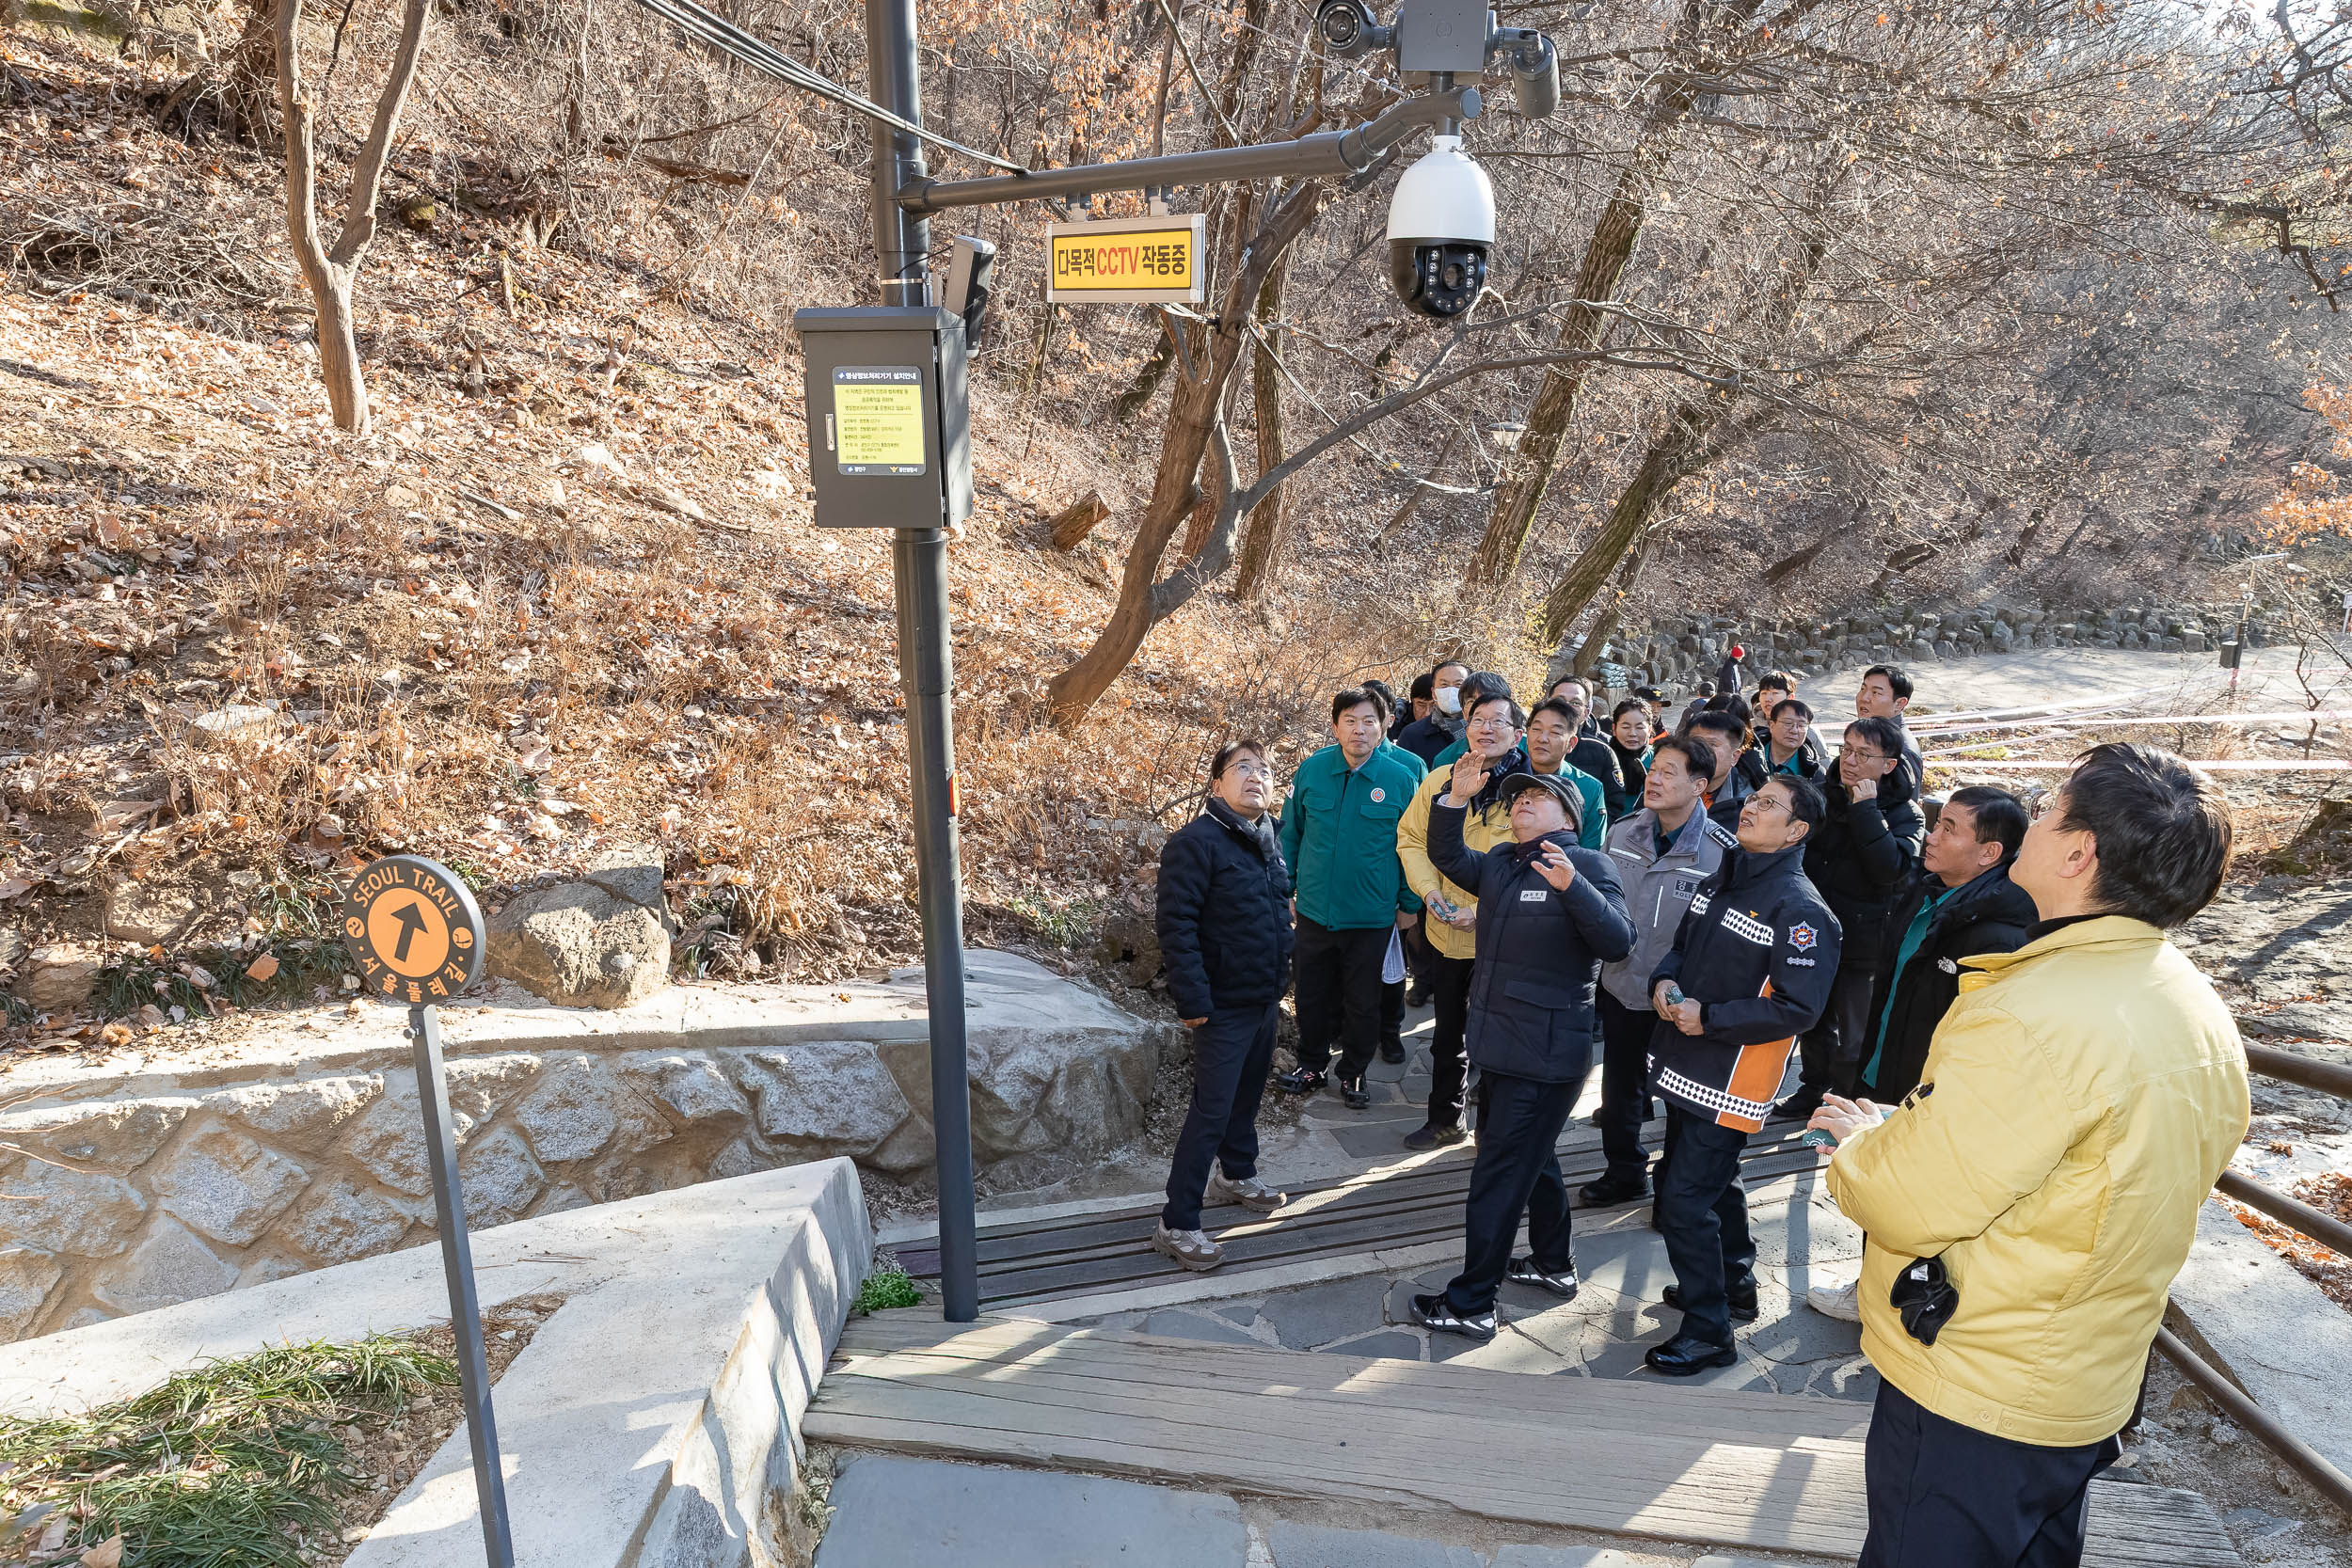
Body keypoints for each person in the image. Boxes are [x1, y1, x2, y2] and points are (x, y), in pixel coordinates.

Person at [1812, 744, 2247, 1567]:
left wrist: (1864, 1146)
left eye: (2048, 808)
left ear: (2080, 853)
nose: (2032, 822)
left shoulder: (2032, 1012)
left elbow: (1911, 1198)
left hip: (1982, 1384)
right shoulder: (2192, 1001)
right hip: (2088, 1375)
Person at [1408, 757, 1633, 1340]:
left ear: (1568, 814)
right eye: (1516, 799)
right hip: (1498, 1044)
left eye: (1537, 796)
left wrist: (1573, 887)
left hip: (1546, 1052)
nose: (1521, 804)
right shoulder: (1505, 863)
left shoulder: (1588, 863)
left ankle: (1473, 1303)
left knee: (1499, 1176)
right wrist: (1455, 800)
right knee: (1531, 1160)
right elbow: (1451, 857)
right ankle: (1554, 1264)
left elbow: (1618, 940)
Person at [1804, 784, 2034, 1322]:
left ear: (1990, 853)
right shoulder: (1927, 895)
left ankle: (1899, 1303)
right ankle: (1874, 1291)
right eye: (1938, 822)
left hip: (1930, 1088)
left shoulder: (1998, 932)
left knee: (1915, 1199)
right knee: (1883, 1188)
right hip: (1887, 1065)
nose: (1932, 834)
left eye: (1950, 827)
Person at [1644, 774, 1839, 1374]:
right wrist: (1666, 983)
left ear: (1797, 831)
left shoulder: (1802, 909)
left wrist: (1713, 1017)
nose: (1751, 808)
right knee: (1711, 1182)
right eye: (1754, 799)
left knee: (1680, 1201)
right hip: (1686, 1063)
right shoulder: (1725, 877)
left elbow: (1797, 1007)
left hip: (1729, 1075)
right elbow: (1682, 947)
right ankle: (1733, 1287)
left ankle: (1709, 1332)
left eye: (1768, 805)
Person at [1152, 741, 1295, 1271]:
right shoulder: (1195, 842)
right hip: (1220, 1005)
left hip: (1262, 996)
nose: (1255, 776)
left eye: (1263, 770)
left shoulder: (1269, 839)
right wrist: (1192, 999)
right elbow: (1176, 925)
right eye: (1242, 768)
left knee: (1246, 1096)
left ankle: (1236, 1173)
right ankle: (1177, 1223)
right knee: (1210, 1111)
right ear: (1217, 785)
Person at [1582, 735, 1733, 1207]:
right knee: (1620, 1088)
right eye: (1654, 769)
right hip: (1624, 985)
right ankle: (1625, 1171)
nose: (1655, 779)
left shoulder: (1721, 854)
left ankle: (1675, 1190)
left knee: (1681, 1100)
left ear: (1699, 785)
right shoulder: (1623, 831)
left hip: (1681, 999)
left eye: (1670, 772)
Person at [1395, 692, 1534, 1149]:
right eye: (1478, 719)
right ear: (1465, 728)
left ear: (1518, 733)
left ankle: (1495, 1130)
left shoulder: (1532, 793)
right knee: (1446, 1033)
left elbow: (1533, 865)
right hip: (1443, 931)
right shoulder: (1440, 779)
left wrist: (1480, 912)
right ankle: (1445, 1118)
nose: (1486, 728)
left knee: (1498, 1036)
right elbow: (1411, 838)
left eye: (1499, 721)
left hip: (1501, 938)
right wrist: (1429, 892)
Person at [1273, 689, 1423, 1109]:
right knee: (1312, 994)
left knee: (1363, 1000)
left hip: (1371, 915)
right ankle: (1311, 1063)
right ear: (1336, 724)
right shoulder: (1312, 770)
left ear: (1383, 725)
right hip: (1315, 911)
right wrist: (1286, 890)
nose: (1360, 730)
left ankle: (1353, 1072)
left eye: (1369, 721)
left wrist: (1408, 904)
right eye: (1350, 721)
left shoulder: (1400, 779)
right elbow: (1291, 835)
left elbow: (1412, 846)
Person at [1773, 715, 1925, 1123]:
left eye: (1863, 754)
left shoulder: (1907, 814)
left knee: (1854, 1031)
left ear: (1889, 764)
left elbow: (1890, 869)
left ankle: (1845, 1102)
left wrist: (1866, 809)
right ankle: (1812, 1088)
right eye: (1846, 750)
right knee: (1813, 1019)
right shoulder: (1823, 795)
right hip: (1812, 930)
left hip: (1865, 939)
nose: (1850, 761)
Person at [1521, 698, 1608, 850]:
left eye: (1555, 732)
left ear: (1571, 744)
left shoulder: (1590, 788)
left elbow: (1590, 849)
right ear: (1527, 734)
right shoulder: (1509, 775)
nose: (1542, 739)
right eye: (1536, 729)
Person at [1544, 679, 1629, 818]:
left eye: (1576, 703)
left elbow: (1613, 806)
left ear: (1586, 712)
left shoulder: (1602, 752)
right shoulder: (1527, 743)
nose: (1567, 707)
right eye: (1560, 700)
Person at [1684, 710, 1762, 832]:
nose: (1701, 751)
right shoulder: (1664, 783)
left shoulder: (1746, 806)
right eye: (1696, 742)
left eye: (1712, 744)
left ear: (1734, 757)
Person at [1856, 663, 1924, 791]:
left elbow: (1904, 806)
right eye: (1863, 689)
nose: (1864, 698)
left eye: (1876, 693)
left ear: (1899, 703)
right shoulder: (1865, 733)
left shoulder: (1903, 750)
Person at [1395, 660, 1471, 766]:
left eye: (1458, 685)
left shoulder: (1484, 730)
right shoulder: (1412, 734)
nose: (1450, 691)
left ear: (1470, 691)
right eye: (1444, 685)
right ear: (1434, 693)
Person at [1756, 697, 1826, 777]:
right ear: (1772, 726)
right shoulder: (1747, 757)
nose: (1794, 730)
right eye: (1788, 723)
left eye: (1801, 725)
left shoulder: (1814, 773)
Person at [1607, 699, 1653, 811]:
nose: (1632, 733)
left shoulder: (1658, 759)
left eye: (1639, 727)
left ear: (1649, 730)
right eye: (1626, 727)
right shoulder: (1603, 758)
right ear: (1614, 729)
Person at [1395, 671, 1435, 739]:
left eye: (1433, 706)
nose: (1427, 713)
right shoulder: (1397, 721)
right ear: (1412, 702)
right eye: (1421, 705)